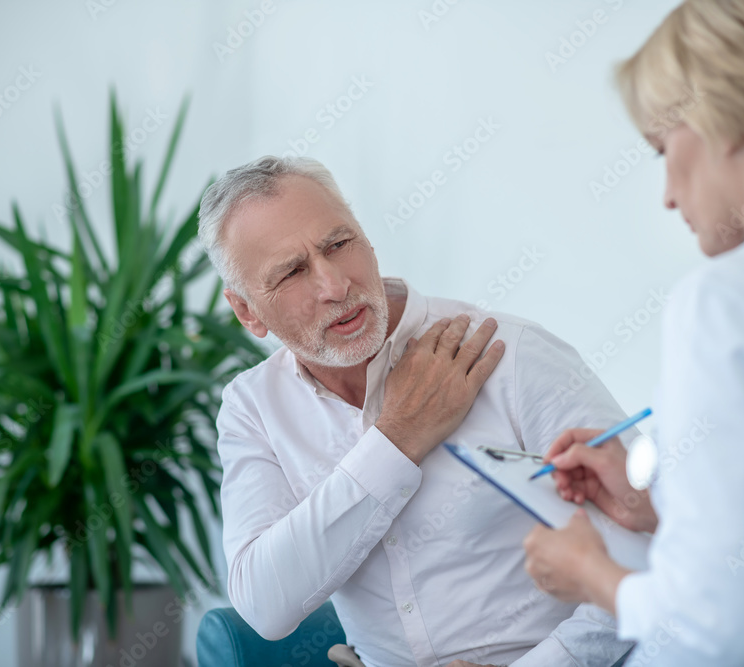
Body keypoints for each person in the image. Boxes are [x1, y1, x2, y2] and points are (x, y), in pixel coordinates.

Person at [521, 0, 744, 665]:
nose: (667, 196)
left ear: (727, 114)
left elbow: (718, 628)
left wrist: (592, 575)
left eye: (662, 148)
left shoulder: (727, 302)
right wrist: (666, 504)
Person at [198, 155, 638, 666]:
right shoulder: (252, 407)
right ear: (248, 311)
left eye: (339, 244)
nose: (335, 285)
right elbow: (264, 606)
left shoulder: (510, 355)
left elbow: (643, 555)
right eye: (293, 272)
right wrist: (398, 437)